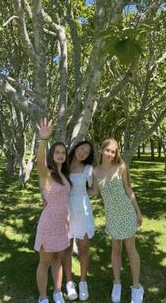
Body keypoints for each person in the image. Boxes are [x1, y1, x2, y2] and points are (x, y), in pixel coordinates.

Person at [90, 138, 144, 303]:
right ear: (101, 150)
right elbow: (94, 192)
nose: (110, 154)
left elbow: (129, 189)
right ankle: (117, 283)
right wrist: (75, 189)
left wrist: (138, 212)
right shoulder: (96, 171)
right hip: (112, 215)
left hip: (126, 212)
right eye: (108, 150)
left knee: (130, 248)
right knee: (115, 250)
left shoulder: (121, 167)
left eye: (113, 152)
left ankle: (136, 287)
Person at [34, 118, 72, 303]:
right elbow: (40, 161)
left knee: (58, 259)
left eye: (63, 152)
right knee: (45, 262)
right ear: (52, 154)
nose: (60, 154)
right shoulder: (47, 173)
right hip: (49, 224)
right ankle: (43, 297)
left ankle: (57, 292)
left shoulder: (65, 174)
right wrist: (43, 140)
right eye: (56, 152)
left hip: (63, 224)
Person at [63, 141, 95, 301]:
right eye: (82, 148)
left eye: (87, 152)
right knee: (66, 249)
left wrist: (81, 193)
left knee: (84, 249)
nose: (83, 152)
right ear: (76, 147)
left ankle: (83, 282)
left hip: (82, 211)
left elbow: (95, 190)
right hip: (65, 210)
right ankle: (69, 282)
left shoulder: (88, 169)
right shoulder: (63, 166)